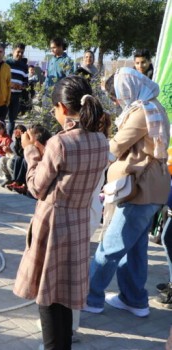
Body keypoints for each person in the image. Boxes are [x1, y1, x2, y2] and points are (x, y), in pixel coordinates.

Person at [13, 75, 109, 350]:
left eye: (55, 107)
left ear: (63, 108)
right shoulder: (101, 140)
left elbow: (35, 187)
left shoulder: (60, 142)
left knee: (48, 296)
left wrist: (30, 151)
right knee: (64, 295)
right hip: (79, 221)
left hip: (53, 223)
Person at [85, 67, 170, 318]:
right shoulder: (153, 107)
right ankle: (134, 299)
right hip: (152, 189)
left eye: (116, 96)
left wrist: (85, 150)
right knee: (135, 247)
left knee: (109, 247)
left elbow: (115, 146)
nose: (116, 102)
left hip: (140, 189)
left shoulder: (142, 111)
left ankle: (91, 297)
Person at [5, 43, 29, 137]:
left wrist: (22, 86)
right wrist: (10, 84)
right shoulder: (6, 63)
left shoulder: (24, 66)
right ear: (13, 51)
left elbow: (26, 83)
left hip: (16, 96)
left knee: (12, 120)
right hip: (5, 95)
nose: (20, 54)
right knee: (0, 119)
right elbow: (1, 79)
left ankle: (8, 140)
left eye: (22, 52)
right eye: (18, 52)